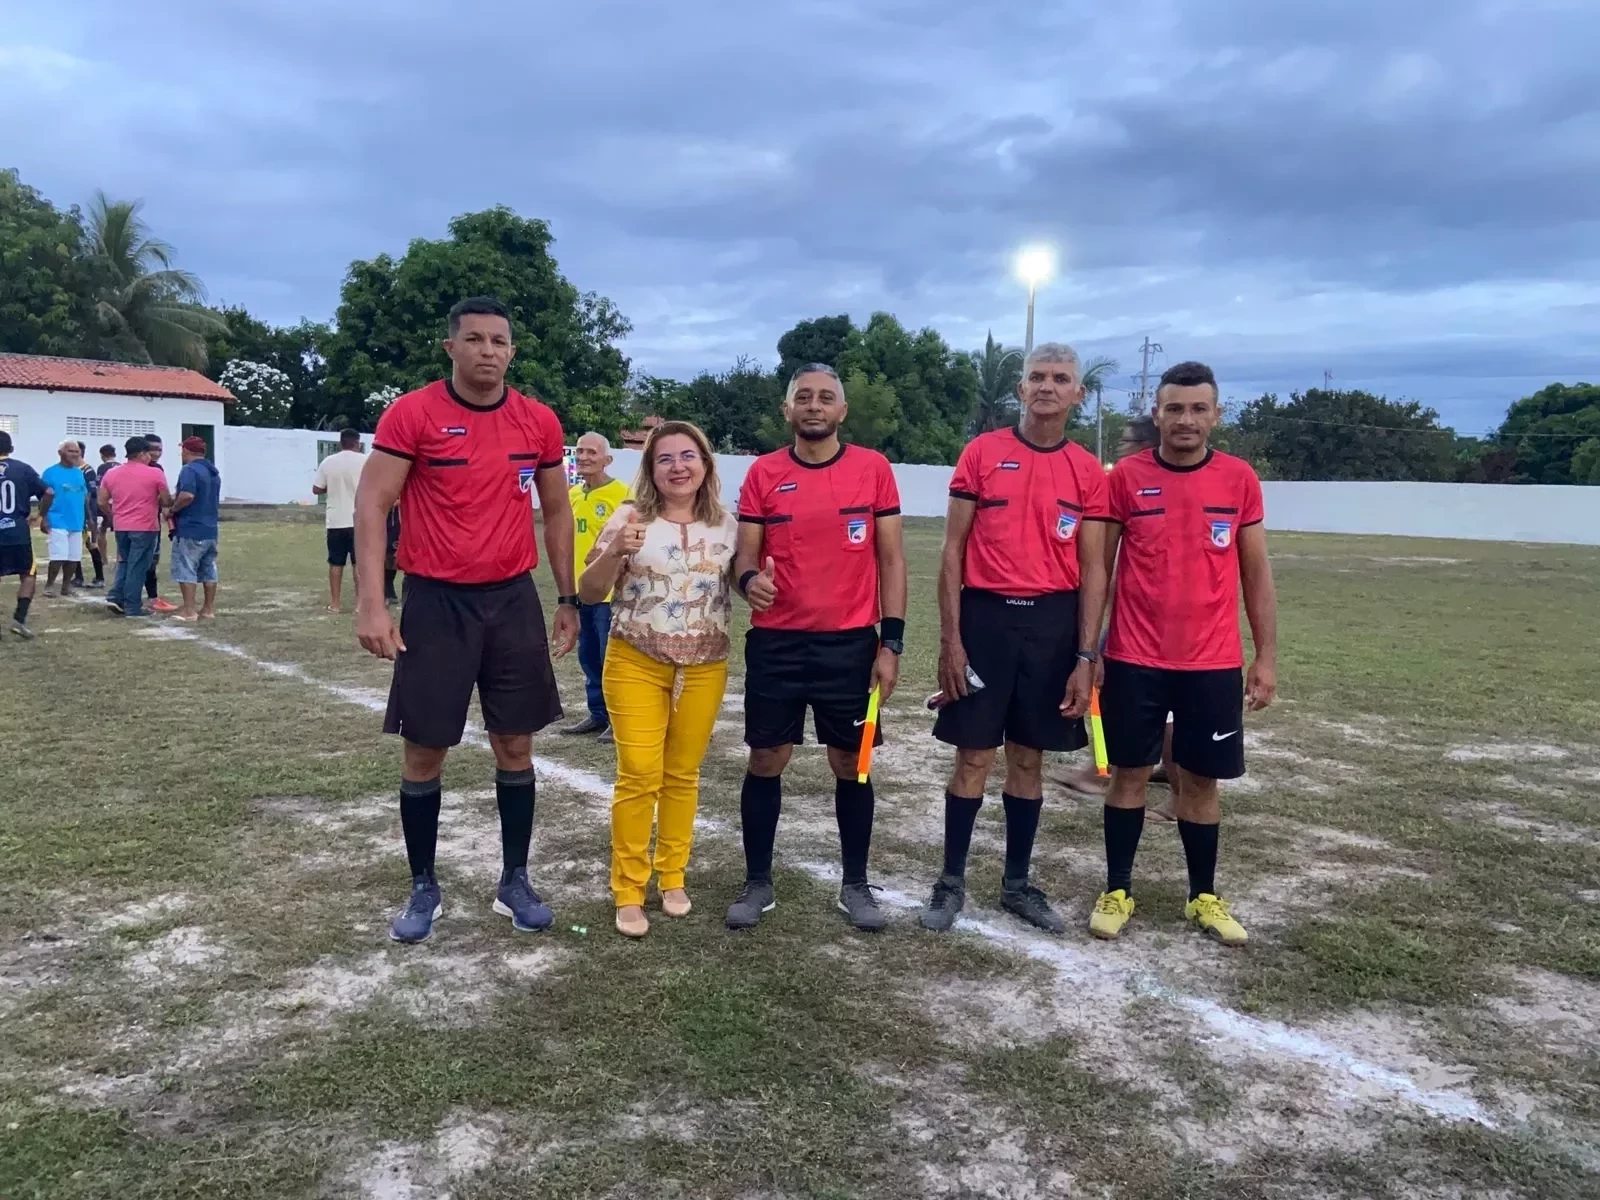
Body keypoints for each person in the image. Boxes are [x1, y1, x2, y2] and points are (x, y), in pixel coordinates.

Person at [354, 296, 580, 945]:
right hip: (436, 601)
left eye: (499, 341)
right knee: (425, 748)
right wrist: (373, 601)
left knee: (516, 742)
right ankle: (424, 884)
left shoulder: (537, 422)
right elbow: (373, 501)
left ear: (512, 350)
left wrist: (567, 599)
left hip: (510, 601)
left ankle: (515, 879)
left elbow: (557, 511)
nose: (489, 350)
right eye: (475, 339)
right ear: (450, 346)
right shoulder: (414, 413)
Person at [917, 343, 1112, 935]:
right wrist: (952, 641)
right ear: (1020, 389)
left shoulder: (1086, 470)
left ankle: (1018, 883)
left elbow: (1095, 569)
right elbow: (952, 552)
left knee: (1027, 758)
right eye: (1036, 377)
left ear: (1078, 393)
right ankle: (950, 882)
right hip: (985, 620)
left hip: (1052, 628)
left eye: (1060, 378)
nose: (1047, 386)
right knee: (973, 755)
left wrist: (1086, 656)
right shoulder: (982, 453)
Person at [1089, 362, 1278, 947]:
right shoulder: (1125, 479)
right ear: (1158, 415)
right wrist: (1089, 650)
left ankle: (1204, 897)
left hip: (1213, 664)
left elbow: (1256, 573)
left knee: (1199, 782)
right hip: (1134, 658)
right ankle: (1118, 889)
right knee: (1129, 776)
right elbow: (1100, 570)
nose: (1186, 420)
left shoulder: (1239, 480)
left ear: (1216, 415)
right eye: (1175, 409)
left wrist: (1265, 655)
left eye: (1199, 409)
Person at [726, 363, 907, 933]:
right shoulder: (763, 473)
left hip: (850, 646)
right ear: (787, 410)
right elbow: (744, 560)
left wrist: (891, 642)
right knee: (766, 759)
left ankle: (855, 884)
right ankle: (758, 882)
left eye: (825, 397)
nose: (814, 405)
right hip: (777, 644)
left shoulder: (872, 471)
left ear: (841, 411)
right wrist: (748, 581)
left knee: (851, 764)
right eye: (803, 397)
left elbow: (892, 560)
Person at [579, 421, 737, 937]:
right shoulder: (630, 518)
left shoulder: (726, 525)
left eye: (687, 456)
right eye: (664, 458)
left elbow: (740, 579)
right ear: (650, 469)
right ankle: (628, 888)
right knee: (639, 774)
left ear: (706, 464)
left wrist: (762, 585)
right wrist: (615, 551)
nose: (677, 467)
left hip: (704, 665)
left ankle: (672, 876)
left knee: (683, 774)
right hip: (636, 661)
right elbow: (588, 590)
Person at [1050, 414, 1182, 816]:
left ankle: (1165, 788)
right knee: (1112, 692)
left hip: (1161, 623)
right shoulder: (1130, 484)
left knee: (1161, 709)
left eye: (1127, 442)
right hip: (1131, 615)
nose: (1121, 449)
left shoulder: (1161, 484)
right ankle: (1104, 767)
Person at [562, 432, 631, 740]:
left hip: (608, 591)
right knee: (588, 655)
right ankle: (598, 714)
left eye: (592, 452)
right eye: (580, 451)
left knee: (610, 657)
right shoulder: (573, 494)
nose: (585, 457)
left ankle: (618, 719)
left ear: (608, 459)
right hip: (579, 591)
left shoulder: (622, 494)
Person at [99, 437, 172, 618]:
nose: (150, 457)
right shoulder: (154, 473)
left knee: (125, 561)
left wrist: (113, 514)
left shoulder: (112, 473)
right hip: (145, 526)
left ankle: (116, 595)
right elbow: (166, 500)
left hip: (121, 525)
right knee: (138, 566)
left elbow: (101, 501)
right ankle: (133, 606)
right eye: (148, 453)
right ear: (142, 453)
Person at [313, 429, 367, 613]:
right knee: (358, 563)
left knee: (336, 563)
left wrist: (332, 486)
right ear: (357, 443)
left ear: (340, 443)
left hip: (336, 520)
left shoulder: (328, 462)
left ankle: (335, 604)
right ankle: (359, 604)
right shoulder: (365, 461)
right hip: (359, 519)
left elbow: (316, 489)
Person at [0, 432, 47, 640]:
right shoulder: (22, 468)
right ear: (10, 447)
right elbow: (50, 492)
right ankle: (19, 620)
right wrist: (41, 514)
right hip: (17, 530)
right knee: (28, 573)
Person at [169, 436, 221, 621]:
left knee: (186, 567)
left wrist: (172, 509)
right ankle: (208, 609)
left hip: (191, 526)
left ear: (187, 451)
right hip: (210, 528)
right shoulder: (212, 471)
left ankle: (189, 611)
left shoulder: (189, 470)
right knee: (208, 567)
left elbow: (187, 496)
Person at [39, 440, 89, 599]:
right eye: (71, 451)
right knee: (58, 555)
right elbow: (44, 496)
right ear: (61, 453)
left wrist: (90, 519)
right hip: (57, 519)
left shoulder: (78, 473)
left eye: (77, 451)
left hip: (77, 520)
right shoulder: (50, 472)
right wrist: (44, 517)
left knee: (74, 557)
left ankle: (66, 586)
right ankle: (49, 585)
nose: (75, 454)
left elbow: (85, 496)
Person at [140, 435, 177, 614]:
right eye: (153, 449)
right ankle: (132, 597)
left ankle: (152, 597)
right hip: (138, 521)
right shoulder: (136, 468)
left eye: (160, 449)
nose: (156, 453)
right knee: (138, 561)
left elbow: (163, 500)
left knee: (151, 561)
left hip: (152, 521)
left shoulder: (158, 469)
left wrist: (170, 523)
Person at [72, 441, 104, 589]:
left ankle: (100, 578)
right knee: (74, 545)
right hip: (74, 514)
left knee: (91, 544)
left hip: (87, 515)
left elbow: (91, 494)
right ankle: (78, 577)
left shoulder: (87, 471)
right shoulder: (72, 470)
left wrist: (90, 517)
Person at [93, 444, 118, 575]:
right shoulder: (121, 466)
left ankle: (104, 559)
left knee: (101, 531)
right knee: (120, 532)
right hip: (119, 503)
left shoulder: (102, 468)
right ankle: (120, 560)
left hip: (106, 503)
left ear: (103, 455)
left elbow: (99, 487)